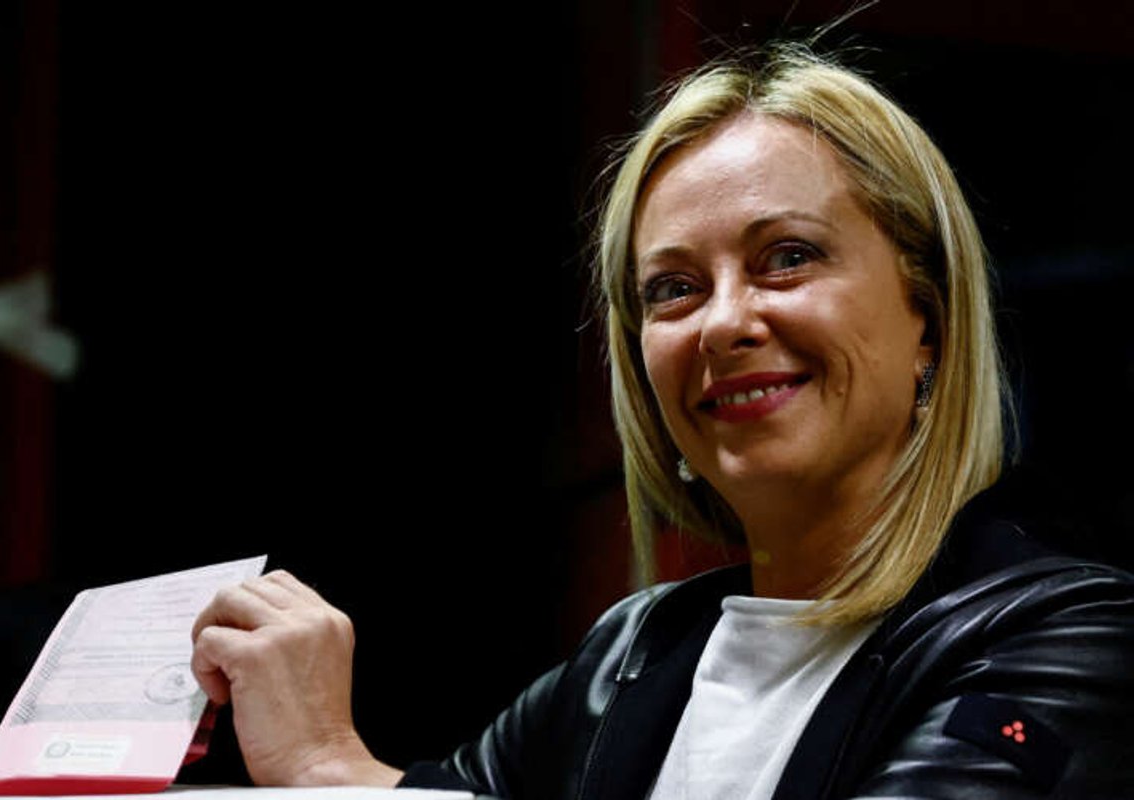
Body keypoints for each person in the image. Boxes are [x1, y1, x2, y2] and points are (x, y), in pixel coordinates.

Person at [190, 45, 1134, 798]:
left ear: (927, 315)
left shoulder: (1070, 638)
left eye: (788, 257)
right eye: (674, 288)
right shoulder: (632, 653)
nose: (723, 323)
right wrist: (319, 755)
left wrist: (325, 767)